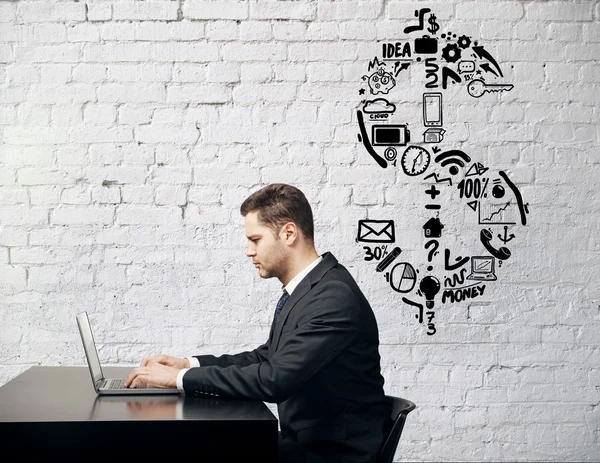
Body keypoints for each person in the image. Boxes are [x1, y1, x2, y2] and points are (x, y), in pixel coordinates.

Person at [125, 183, 389, 462]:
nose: (249, 251)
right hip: (306, 442)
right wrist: (188, 364)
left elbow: (275, 380)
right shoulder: (310, 290)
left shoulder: (333, 296)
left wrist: (177, 380)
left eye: (255, 239)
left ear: (289, 233)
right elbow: (267, 357)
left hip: (332, 453)